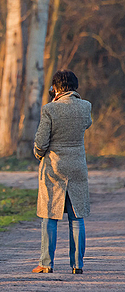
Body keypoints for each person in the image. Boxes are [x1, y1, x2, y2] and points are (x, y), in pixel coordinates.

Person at [32, 70, 92, 274]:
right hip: (77, 166)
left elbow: (41, 142)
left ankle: (46, 264)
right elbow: (87, 123)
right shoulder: (86, 107)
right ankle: (77, 265)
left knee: (50, 216)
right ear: (75, 86)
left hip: (54, 168)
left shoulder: (50, 109)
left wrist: (39, 154)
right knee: (77, 217)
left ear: (55, 87)